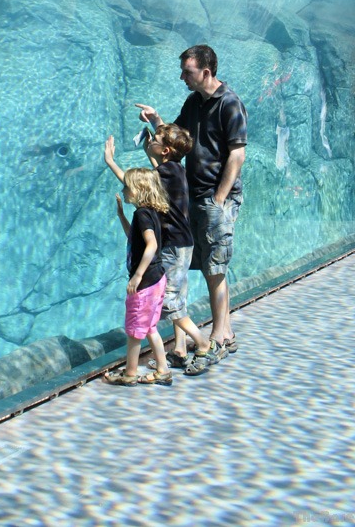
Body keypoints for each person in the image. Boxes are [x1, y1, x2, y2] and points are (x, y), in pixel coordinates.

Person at [135, 44, 247, 355]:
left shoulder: (230, 104)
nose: (182, 76)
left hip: (215, 198)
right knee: (193, 264)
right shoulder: (193, 102)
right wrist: (157, 119)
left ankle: (223, 332)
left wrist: (219, 199)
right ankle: (204, 335)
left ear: (206, 72)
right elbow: (176, 141)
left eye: (188, 71)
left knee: (215, 265)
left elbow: (237, 155)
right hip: (193, 197)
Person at [104, 127, 221, 375]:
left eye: (154, 140)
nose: (151, 141)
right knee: (174, 299)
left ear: (165, 150)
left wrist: (110, 162)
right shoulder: (175, 169)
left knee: (169, 302)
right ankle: (178, 351)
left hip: (173, 247)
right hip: (181, 244)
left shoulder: (164, 172)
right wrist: (152, 148)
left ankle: (202, 344)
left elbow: (136, 184)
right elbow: (153, 175)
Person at [103, 167, 172, 386]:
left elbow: (151, 245)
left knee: (134, 330)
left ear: (138, 189)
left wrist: (137, 276)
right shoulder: (149, 212)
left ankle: (130, 374)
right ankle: (163, 370)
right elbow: (134, 238)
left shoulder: (142, 214)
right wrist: (121, 215)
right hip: (158, 279)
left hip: (146, 282)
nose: (123, 189)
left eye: (127, 186)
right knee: (150, 327)